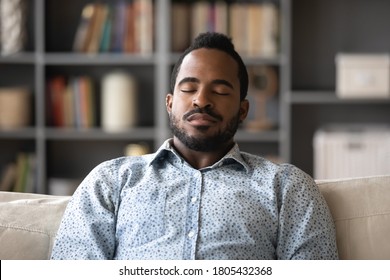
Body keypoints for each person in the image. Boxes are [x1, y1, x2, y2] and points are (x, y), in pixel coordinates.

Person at [51, 32, 338, 260]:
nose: (201, 100)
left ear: (242, 110)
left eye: (221, 90)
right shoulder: (110, 181)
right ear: (170, 102)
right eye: (188, 88)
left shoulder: (287, 187)